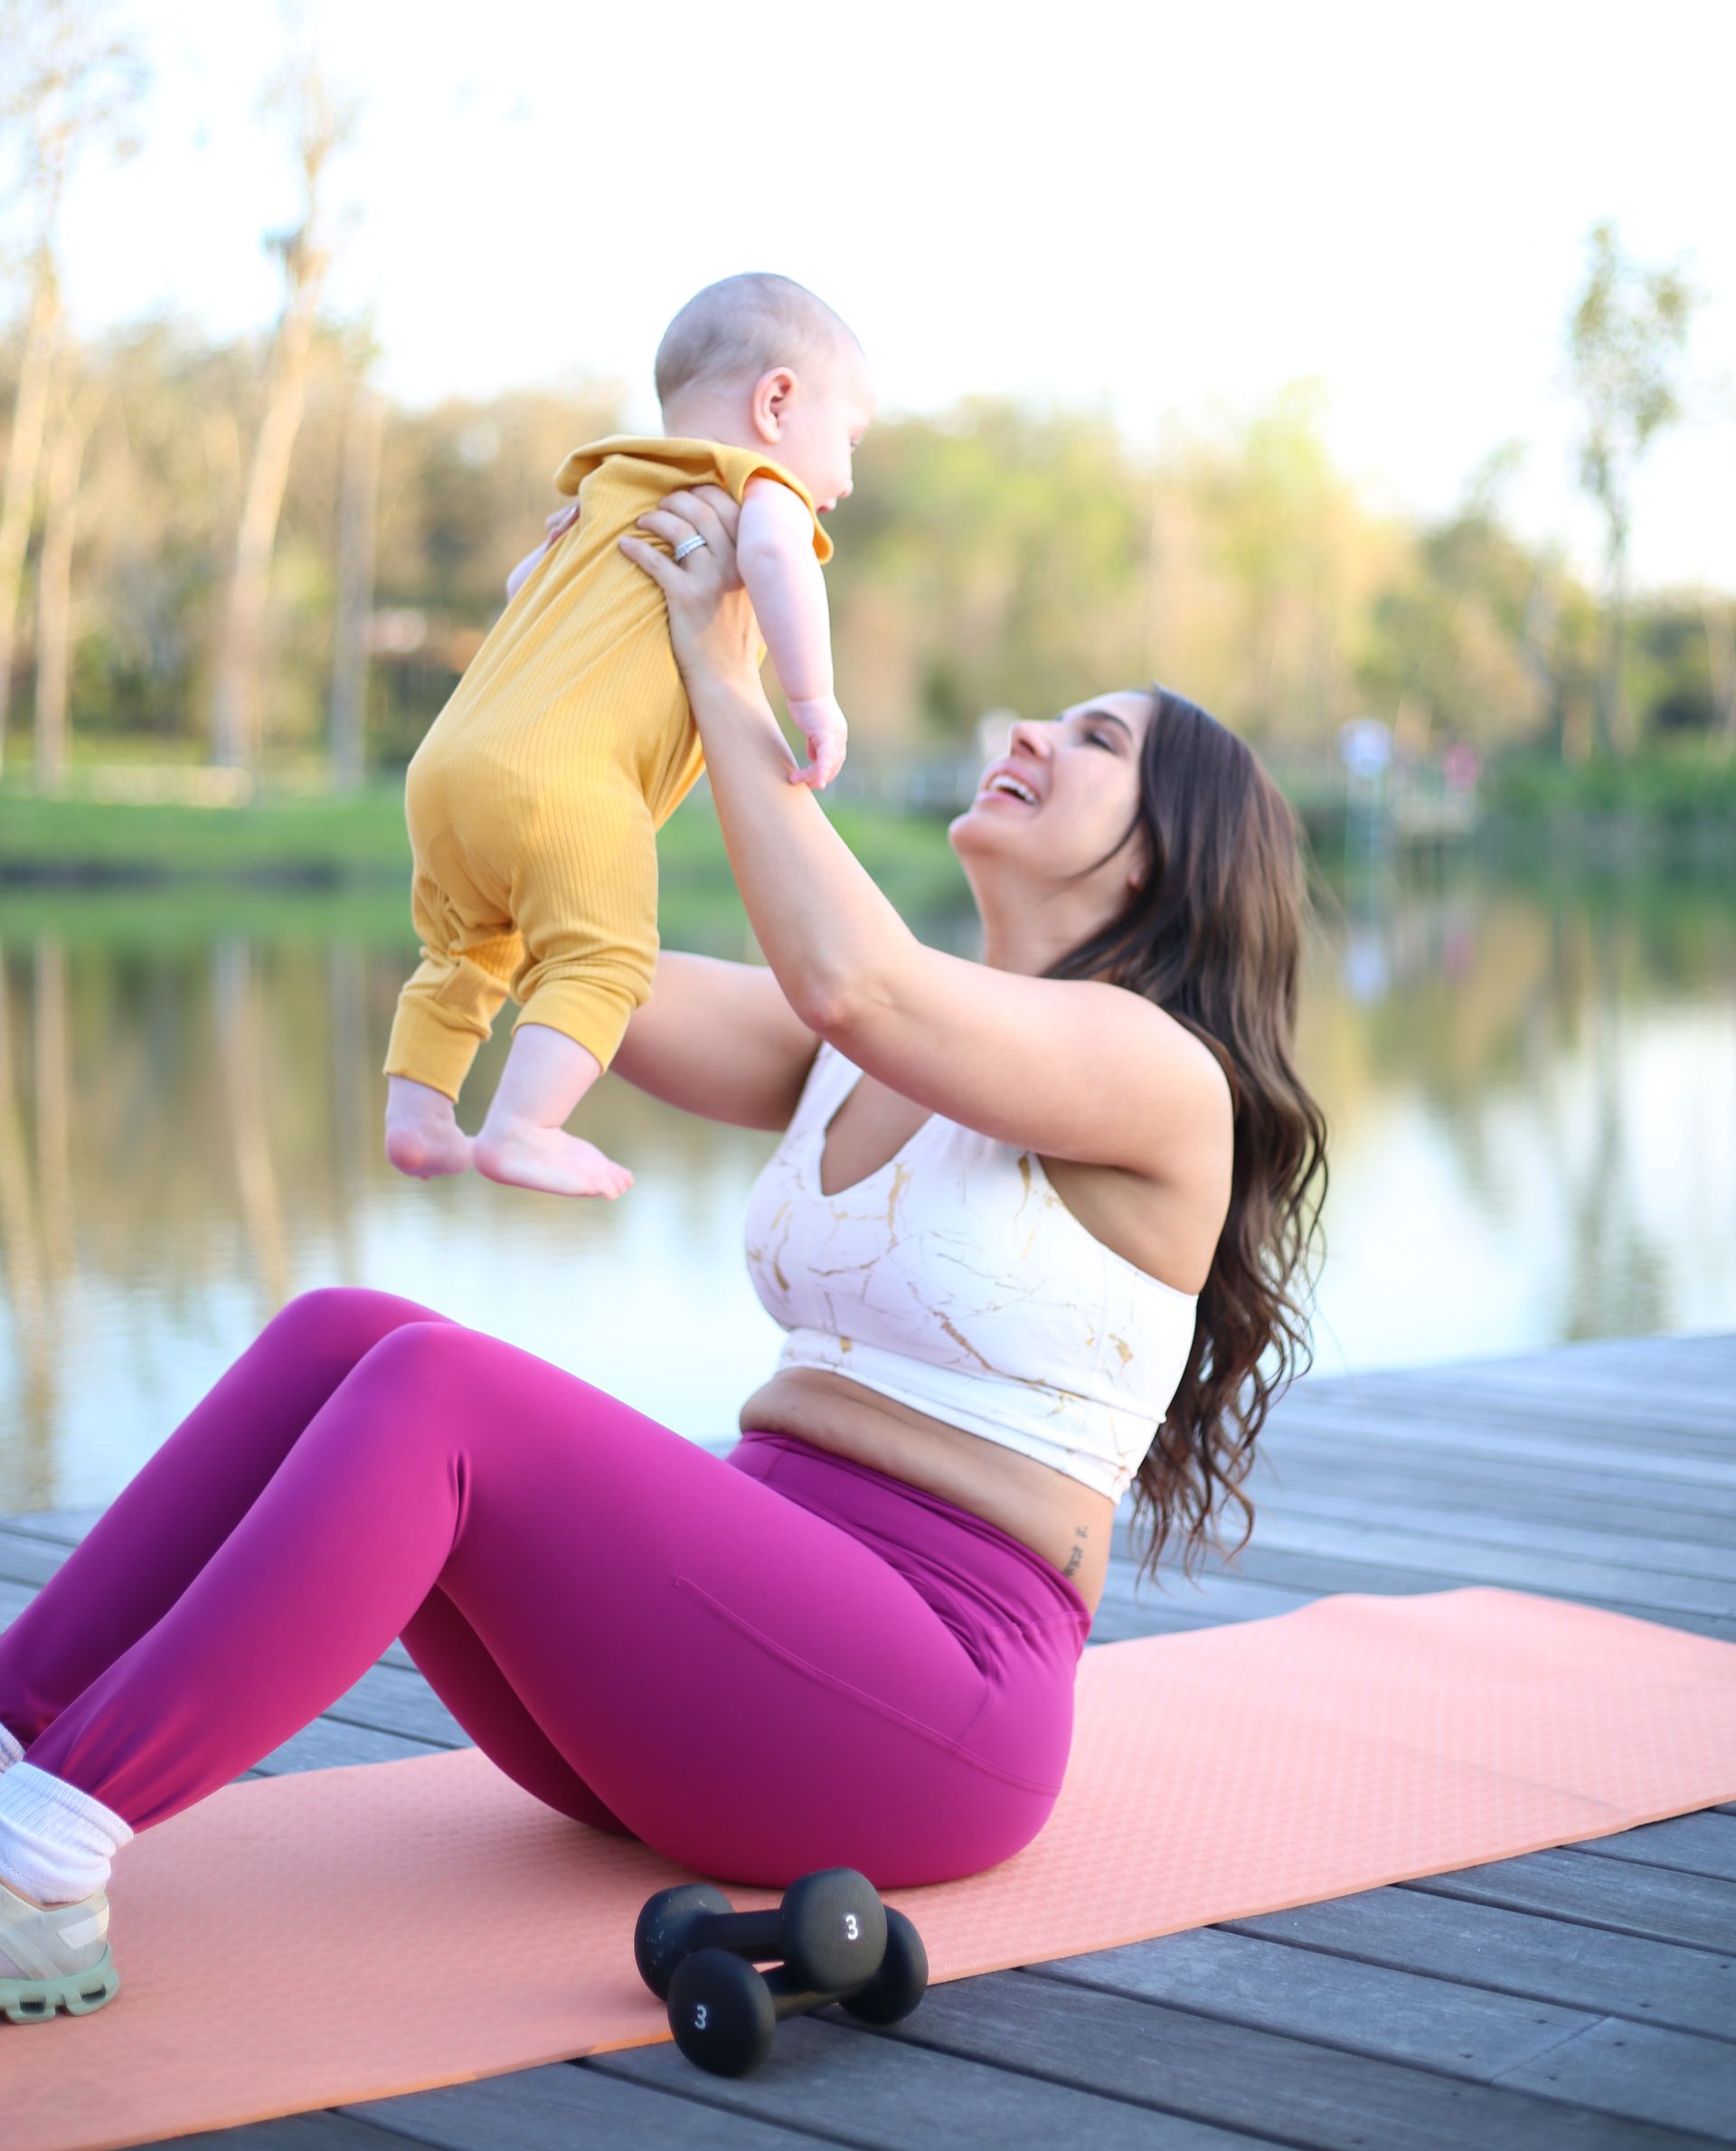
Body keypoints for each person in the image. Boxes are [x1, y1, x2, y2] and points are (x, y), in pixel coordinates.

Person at [0, 482, 1326, 2024]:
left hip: (926, 1715)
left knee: (440, 1393)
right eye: (1054, 717)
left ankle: (43, 1864)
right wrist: (558, 665)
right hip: (719, 1678)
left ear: (1172, 860)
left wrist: (726, 661)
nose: (1027, 732)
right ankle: (19, 1735)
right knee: (345, 1333)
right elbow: (571, 951)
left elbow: (853, 978)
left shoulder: (1154, 1071)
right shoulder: (872, 1030)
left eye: (1097, 740)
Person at [383, 270, 874, 1200]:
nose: (844, 480)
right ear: (777, 403)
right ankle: (524, 1127)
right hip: (563, 783)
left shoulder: (611, 485)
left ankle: (417, 1117)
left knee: (465, 949)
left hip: (448, 766)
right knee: (603, 958)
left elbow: (524, 584)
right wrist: (815, 700)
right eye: (847, 441)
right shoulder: (759, 484)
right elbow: (775, 554)